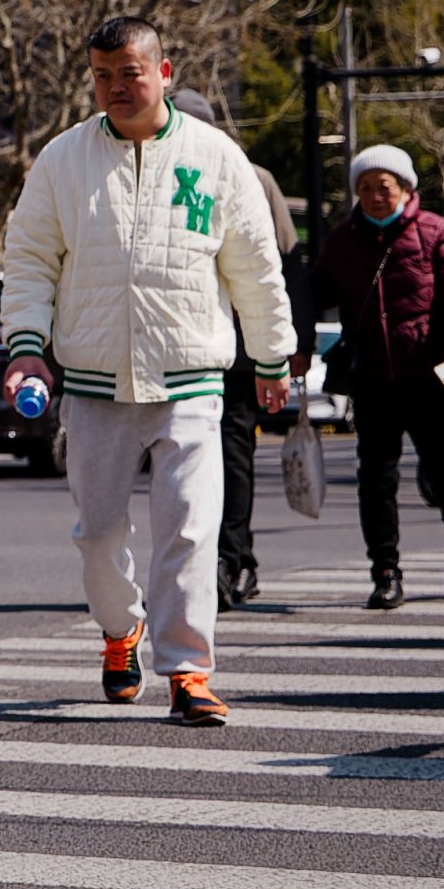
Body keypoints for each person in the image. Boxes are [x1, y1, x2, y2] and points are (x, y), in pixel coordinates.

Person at [0, 16, 297, 727]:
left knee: (190, 530)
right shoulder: (62, 160)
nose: (114, 89)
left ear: (164, 72)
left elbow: (255, 267)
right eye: (101, 76)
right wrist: (25, 346)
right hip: (95, 382)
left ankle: (188, 671)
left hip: (191, 374)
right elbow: (30, 261)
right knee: (99, 534)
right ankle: (118, 629)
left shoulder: (216, 157)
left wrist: (271, 356)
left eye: (128, 73)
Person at [311, 144, 444, 609]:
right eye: (364, 188)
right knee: (376, 479)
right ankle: (385, 572)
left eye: (383, 187)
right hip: (371, 379)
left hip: (429, 378)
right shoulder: (342, 239)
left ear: (406, 189)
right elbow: (314, 293)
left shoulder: (436, 233)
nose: (373, 196)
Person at [174, 87, 296, 611]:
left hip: (240, 352)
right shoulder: (143, 170)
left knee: (231, 456)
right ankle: (193, 566)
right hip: (179, 349)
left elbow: (284, 263)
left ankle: (234, 560)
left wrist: (287, 349)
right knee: (180, 466)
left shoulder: (248, 175)